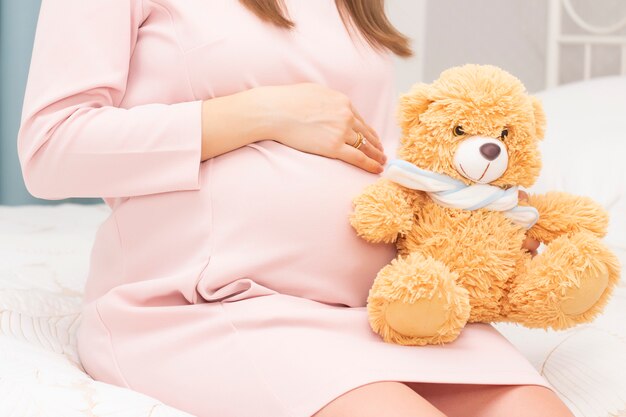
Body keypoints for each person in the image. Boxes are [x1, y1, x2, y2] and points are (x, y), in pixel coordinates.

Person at [17, 1, 572, 416]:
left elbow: (371, 148)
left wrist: (471, 210)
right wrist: (262, 111)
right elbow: (51, 148)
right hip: (207, 302)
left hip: (384, 309)